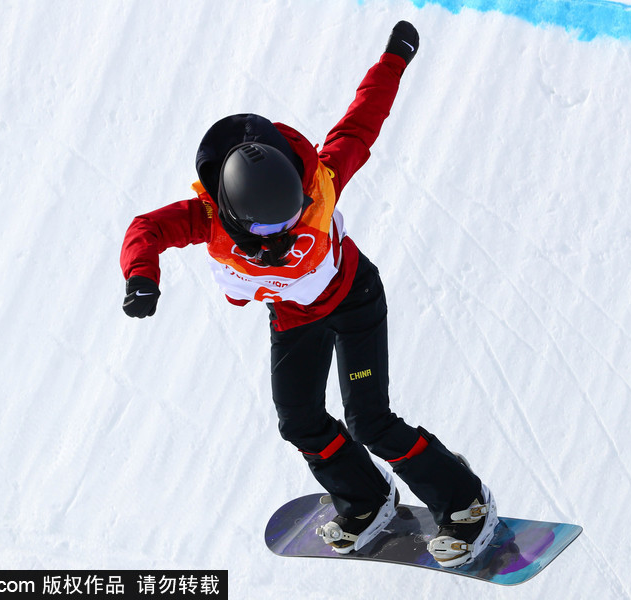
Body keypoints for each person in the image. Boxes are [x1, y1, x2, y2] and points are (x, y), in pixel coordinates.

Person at [119, 21, 498, 567]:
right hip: (295, 315)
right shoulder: (204, 218)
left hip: (353, 298)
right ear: (232, 214)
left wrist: (394, 58)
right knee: (298, 420)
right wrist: (141, 276)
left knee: (371, 421)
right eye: (267, 232)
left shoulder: (321, 178)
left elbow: (362, 121)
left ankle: (464, 502)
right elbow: (145, 230)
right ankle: (366, 500)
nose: (284, 238)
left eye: (292, 221)